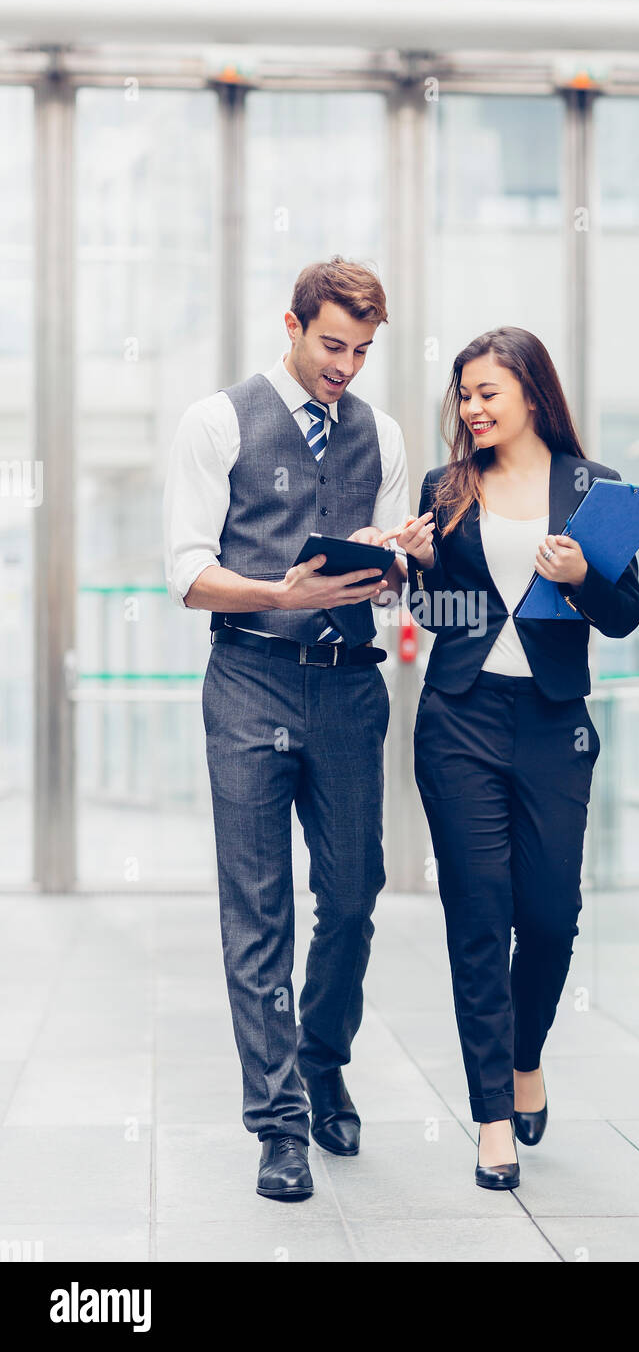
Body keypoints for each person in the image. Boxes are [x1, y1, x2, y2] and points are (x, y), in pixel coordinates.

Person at [163, 256, 412, 1202]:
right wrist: (278, 590)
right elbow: (186, 573)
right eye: (332, 344)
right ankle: (278, 1123)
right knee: (256, 907)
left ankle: (323, 1056)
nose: (346, 364)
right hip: (249, 679)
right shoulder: (217, 420)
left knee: (352, 896)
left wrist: (401, 558)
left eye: (362, 349)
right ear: (294, 324)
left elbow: (382, 567)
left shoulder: (380, 435)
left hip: (351, 688)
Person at [402, 326, 639, 1190]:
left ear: (533, 395)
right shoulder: (447, 486)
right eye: (463, 396)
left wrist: (582, 576)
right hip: (459, 719)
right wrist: (422, 568)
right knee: (478, 917)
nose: (470, 410)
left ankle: (526, 1051)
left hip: (553, 723)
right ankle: (491, 1116)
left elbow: (622, 618)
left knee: (548, 916)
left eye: (487, 394)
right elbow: (439, 616)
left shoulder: (595, 489)